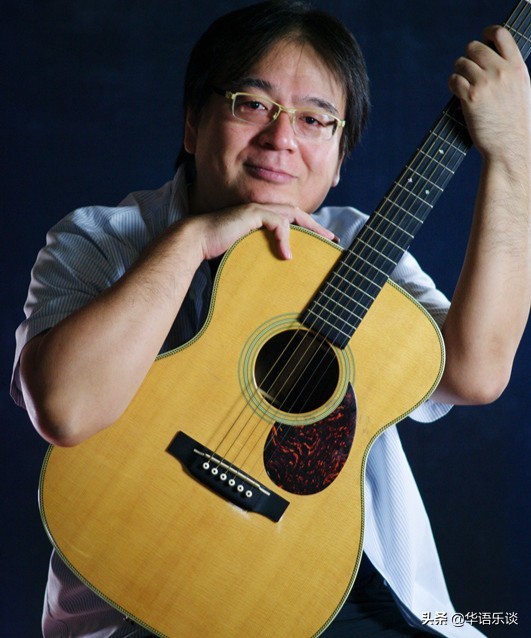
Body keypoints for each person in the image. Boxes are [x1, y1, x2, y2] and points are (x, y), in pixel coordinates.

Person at [11, 1, 530, 637]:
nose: (281, 138)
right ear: (192, 123)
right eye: (252, 104)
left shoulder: (356, 250)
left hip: (333, 591)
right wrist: (195, 240)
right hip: (131, 608)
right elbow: (65, 408)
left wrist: (511, 156)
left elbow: (477, 371)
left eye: (315, 119)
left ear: (339, 160)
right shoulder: (97, 240)